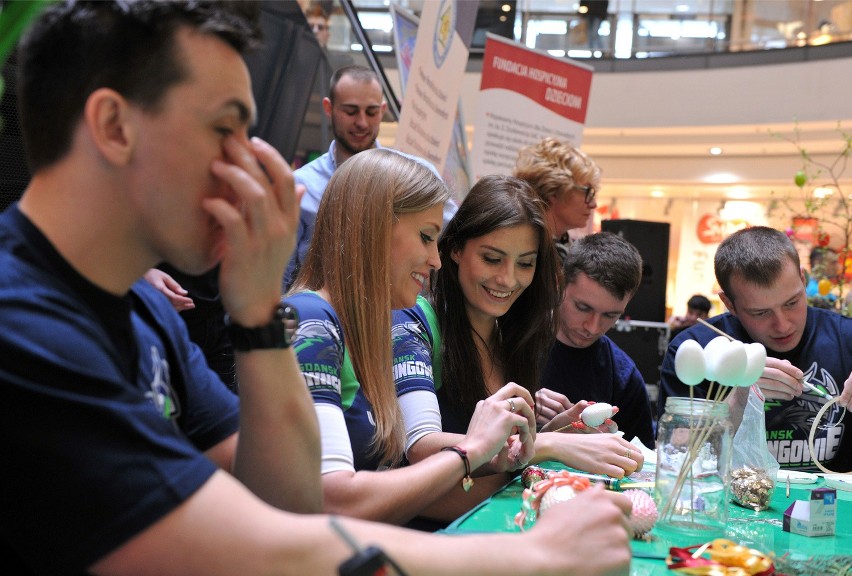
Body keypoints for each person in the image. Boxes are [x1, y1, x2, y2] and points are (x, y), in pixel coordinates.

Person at [2, 2, 635, 575]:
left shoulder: (142, 312)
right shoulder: (22, 322)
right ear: (114, 126)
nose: (251, 165)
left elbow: (290, 498)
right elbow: (253, 544)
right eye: (223, 129)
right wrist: (531, 553)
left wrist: (254, 314)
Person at [287, 149, 537, 526]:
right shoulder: (312, 320)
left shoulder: (363, 328)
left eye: (526, 262)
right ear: (370, 229)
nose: (436, 260)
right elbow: (336, 500)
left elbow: (383, 486)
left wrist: (509, 449)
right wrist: (472, 450)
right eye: (425, 237)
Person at [393, 175, 643, 482]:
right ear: (456, 249)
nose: (507, 279)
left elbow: (504, 462)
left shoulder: (512, 336)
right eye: (492, 258)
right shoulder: (414, 324)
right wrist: (552, 444)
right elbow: (421, 446)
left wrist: (557, 430)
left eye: (525, 263)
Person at [658, 226, 852, 473]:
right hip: (728, 506)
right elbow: (676, 457)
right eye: (760, 313)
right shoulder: (698, 352)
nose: (782, 325)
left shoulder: (845, 339)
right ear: (729, 304)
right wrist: (740, 398)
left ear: (803, 281)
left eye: (792, 302)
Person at [283, 65, 455, 290]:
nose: (362, 122)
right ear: (329, 108)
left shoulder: (417, 177)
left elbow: (459, 234)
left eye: (371, 112)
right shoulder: (300, 186)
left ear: (383, 110)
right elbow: (281, 277)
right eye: (351, 111)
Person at [538, 232, 655, 447]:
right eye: (583, 308)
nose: (592, 327)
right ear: (559, 284)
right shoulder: (512, 342)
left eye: (610, 315)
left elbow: (643, 465)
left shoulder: (625, 377)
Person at [513, 137, 600, 263]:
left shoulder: (565, 251)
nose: (593, 204)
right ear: (554, 191)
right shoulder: (522, 250)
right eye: (587, 191)